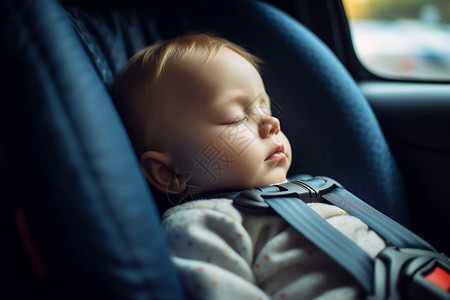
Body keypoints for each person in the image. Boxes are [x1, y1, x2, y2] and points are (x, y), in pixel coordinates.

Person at [113, 33, 386, 299]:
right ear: (171, 173)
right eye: (234, 119)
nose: (272, 124)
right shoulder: (200, 223)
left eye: (265, 109)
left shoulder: (313, 186)